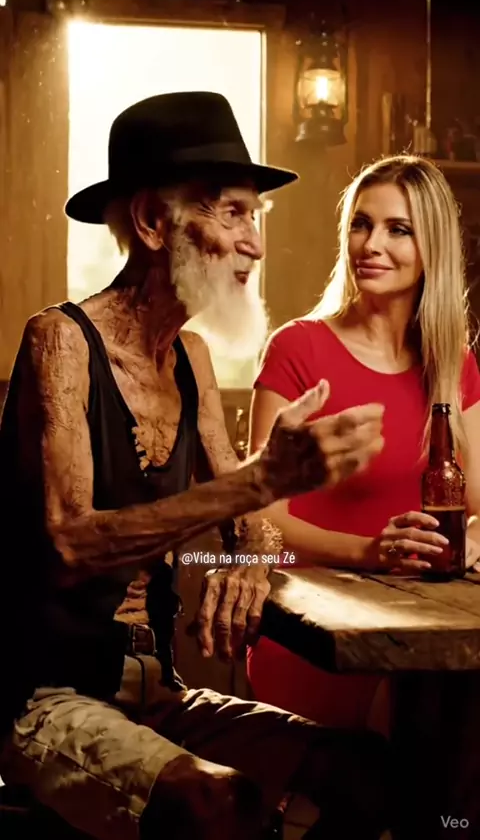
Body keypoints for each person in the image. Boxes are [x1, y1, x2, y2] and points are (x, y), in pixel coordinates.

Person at [0, 92, 390, 840]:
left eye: (255, 217)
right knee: (218, 803)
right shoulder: (60, 340)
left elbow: (249, 522)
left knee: (371, 775)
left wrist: (249, 558)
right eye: (233, 213)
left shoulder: (192, 358)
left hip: (163, 693)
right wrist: (261, 480)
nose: (255, 244)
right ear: (153, 221)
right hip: (44, 698)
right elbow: (69, 544)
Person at [247, 153, 480, 730]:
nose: (371, 244)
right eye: (361, 224)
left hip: (426, 622)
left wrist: (474, 537)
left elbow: (478, 500)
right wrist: (372, 553)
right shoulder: (297, 348)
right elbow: (261, 522)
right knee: (436, 721)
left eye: (398, 229)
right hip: (319, 631)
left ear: (432, 249)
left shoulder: (454, 365)